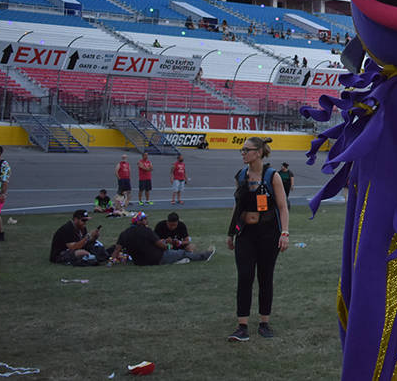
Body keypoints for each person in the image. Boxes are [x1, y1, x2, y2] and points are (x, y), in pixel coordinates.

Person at [226, 137, 290, 342]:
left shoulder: (273, 176)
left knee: (265, 277)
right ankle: (242, 325)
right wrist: (231, 232)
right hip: (245, 234)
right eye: (242, 150)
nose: (243, 153)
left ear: (259, 152)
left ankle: (264, 322)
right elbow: (237, 206)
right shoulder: (241, 175)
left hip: (268, 234)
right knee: (244, 277)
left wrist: (285, 233)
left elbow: (282, 207)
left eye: (246, 149)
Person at [111, 212, 213, 266]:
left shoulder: (124, 234)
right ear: (139, 222)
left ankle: (179, 260)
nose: (147, 221)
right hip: (157, 258)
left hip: (139, 262)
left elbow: (116, 250)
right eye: (144, 219)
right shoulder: (147, 231)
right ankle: (204, 256)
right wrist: (170, 245)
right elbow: (162, 246)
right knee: (183, 253)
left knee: (179, 254)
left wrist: (110, 262)